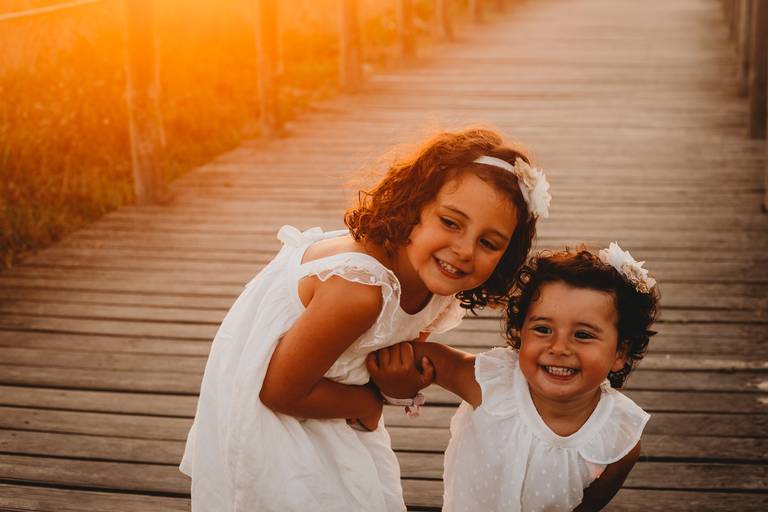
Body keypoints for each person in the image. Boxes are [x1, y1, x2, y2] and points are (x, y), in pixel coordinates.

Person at [179, 128, 552, 512]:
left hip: (327, 396)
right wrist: (370, 402)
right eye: (451, 222)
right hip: (275, 418)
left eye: (488, 243)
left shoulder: (435, 276)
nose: (463, 250)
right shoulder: (358, 291)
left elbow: (392, 353)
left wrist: (397, 385)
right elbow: (278, 391)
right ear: (415, 207)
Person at [368, 243, 659, 511]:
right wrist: (399, 385)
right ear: (520, 333)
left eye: (582, 335)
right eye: (543, 329)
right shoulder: (492, 382)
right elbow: (417, 357)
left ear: (620, 352)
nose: (558, 348)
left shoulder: (618, 438)